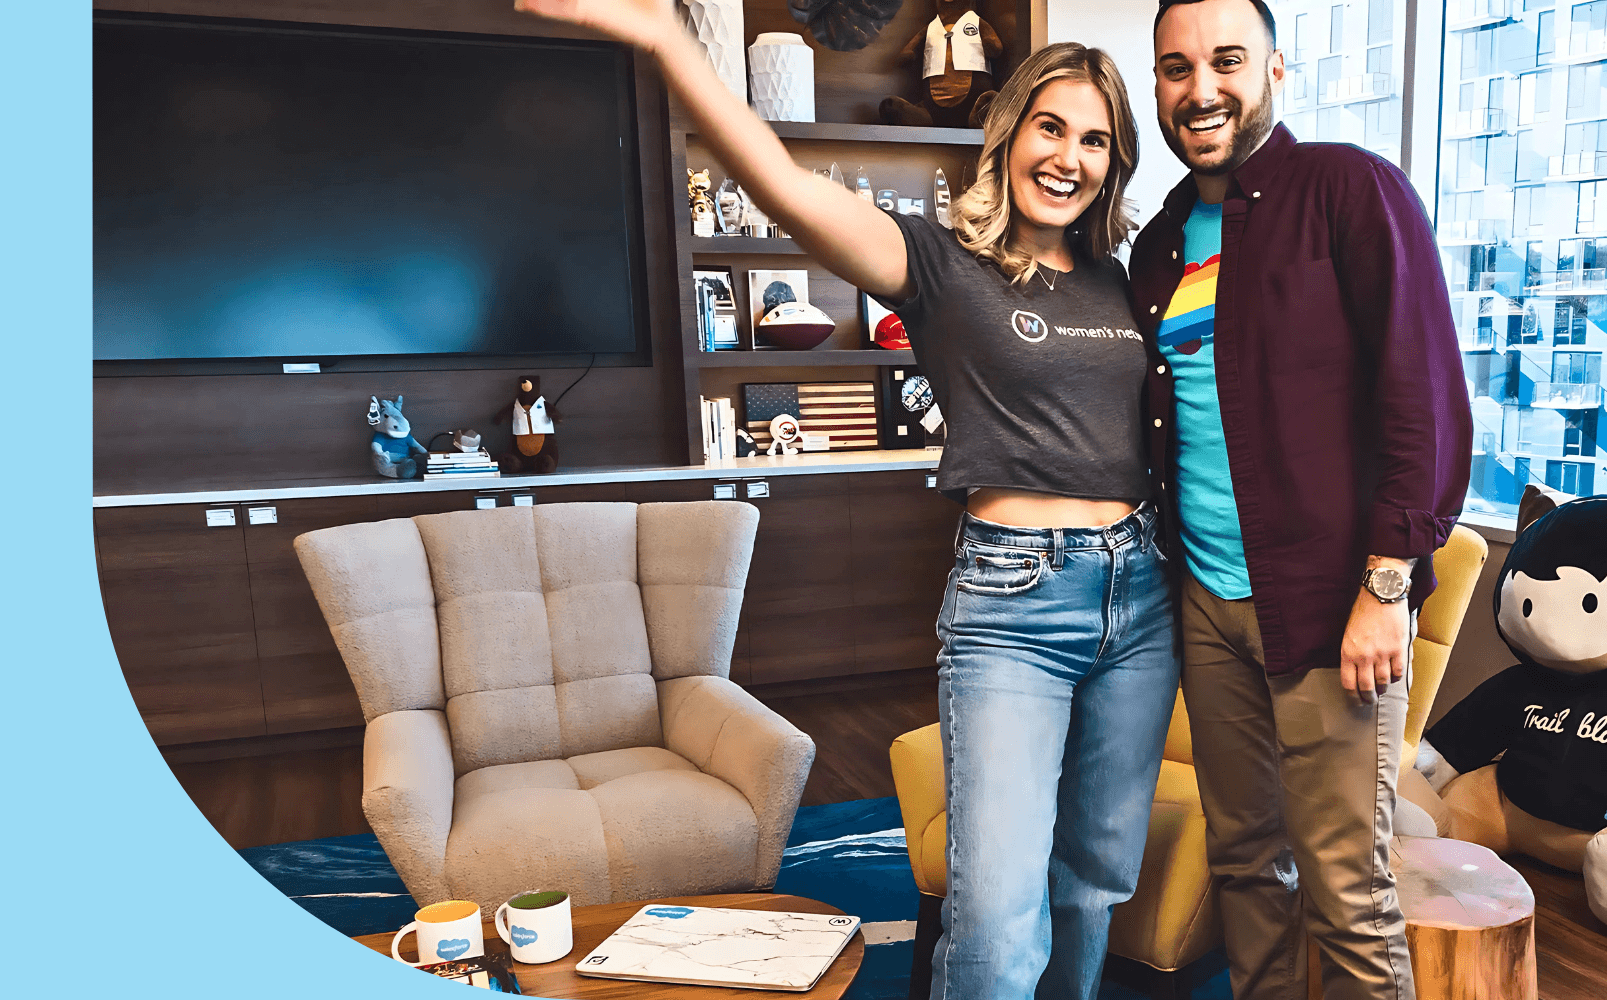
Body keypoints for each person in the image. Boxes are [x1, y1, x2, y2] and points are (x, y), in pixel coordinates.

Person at [515, 4, 1179, 999]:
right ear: (1008, 134)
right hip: (1015, 606)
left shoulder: (1126, 284)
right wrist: (667, 42)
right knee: (998, 924)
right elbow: (779, 184)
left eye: (1095, 140)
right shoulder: (939, 262)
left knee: (1093, 886)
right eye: (1050, 127)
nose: (1068, 157)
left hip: (1142, 598)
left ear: (1114, 162)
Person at [1132, 1, 1473, 998]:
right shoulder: (1159, 244)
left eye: (1226, 61)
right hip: (1207, 603)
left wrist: (1385, 585)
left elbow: (1423, 400)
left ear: (1275, 70)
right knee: (1244, 862)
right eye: (1176, 68)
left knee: (1346, 888)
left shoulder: (1348, 189)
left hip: (1331, 604)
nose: (1201, 89)